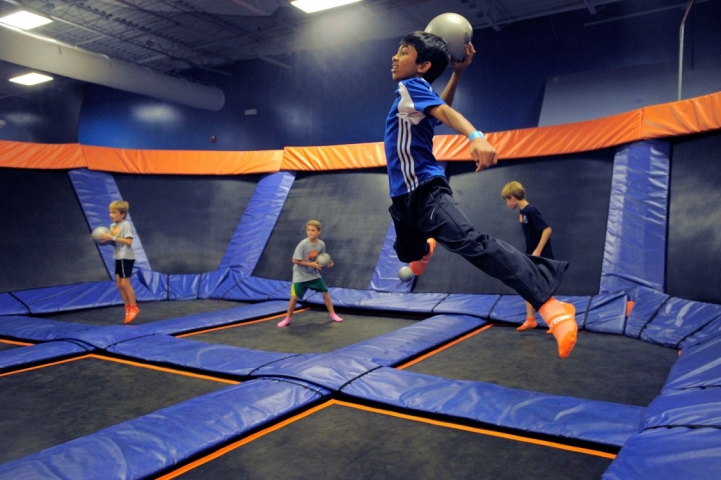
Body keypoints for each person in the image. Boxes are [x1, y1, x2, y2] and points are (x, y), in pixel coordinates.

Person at [384, 31, 577, 358]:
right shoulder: (416, 96)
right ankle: (426, 247)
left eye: (403, 53)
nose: (394, 57)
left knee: (471, 241)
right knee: (407, 254)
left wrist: (474, 135)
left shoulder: (410, 88)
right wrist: (457, 74)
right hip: (403, 199)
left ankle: (551, 305)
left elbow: (446, 114)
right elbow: (441, 108)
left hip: (426, 191)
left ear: (422, 66)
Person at [501, 181, 555, 332]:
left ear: (512, 198)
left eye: (506, 200)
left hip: (541, 255)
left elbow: (547, 230)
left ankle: (554, 322)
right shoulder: (522, 212)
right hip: (531, 254)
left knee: (545, 290)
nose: (507, 203)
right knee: (527, 285)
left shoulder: (530, 210)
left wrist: (538, 250)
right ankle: (530, 319)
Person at [277, 219, 343, 327]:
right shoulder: (302, 244)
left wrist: (328, 263)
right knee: (294, 297)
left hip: (313, 274)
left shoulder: (321, 244)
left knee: (325, 292)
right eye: (308, 230)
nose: (310, 232)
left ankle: (332, 314)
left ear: (319, 232)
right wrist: (311, 265)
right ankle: (287, 319)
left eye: (313, 230)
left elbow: (321, 258)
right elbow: (295, 260)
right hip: (300, 275)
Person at [96, 200, 139, 324]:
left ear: (122, 214)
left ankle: (133, 307)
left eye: (114, 213)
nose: (111, 215)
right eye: (110, 212)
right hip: (118, 256)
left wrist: (112, 237)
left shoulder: (126, 225)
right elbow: (115, 242)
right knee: (119, 284)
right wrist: (100, 239)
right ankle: (127, 308)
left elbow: (128, 242)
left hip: (126, 257)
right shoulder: (113, 226)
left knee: (125, 283)